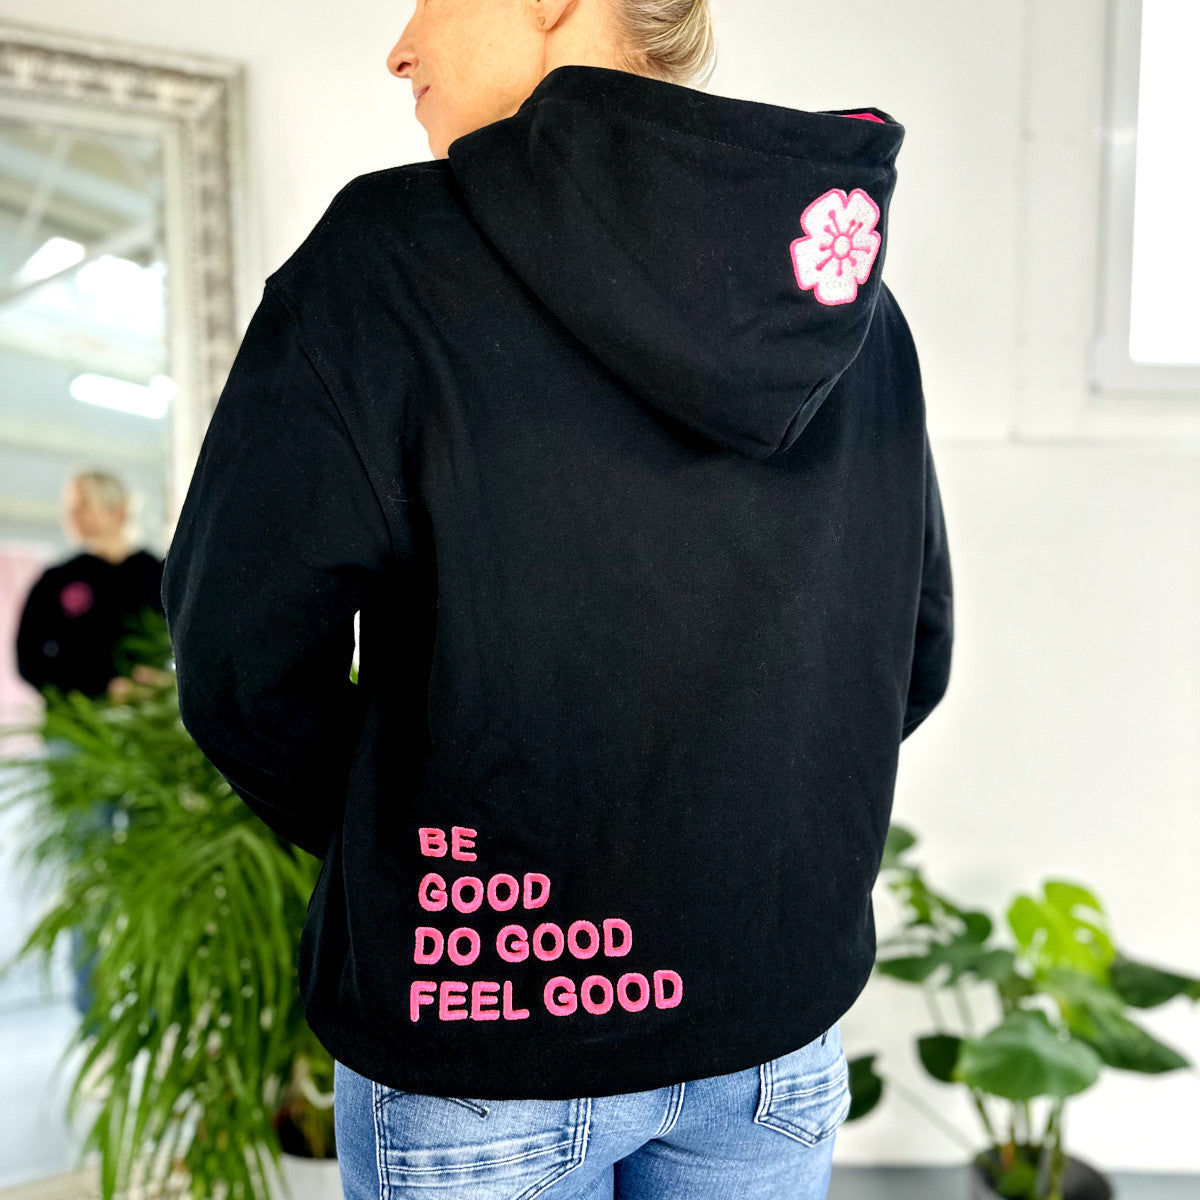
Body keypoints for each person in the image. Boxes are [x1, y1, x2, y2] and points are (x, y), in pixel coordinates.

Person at [160, 0, 954, 1195]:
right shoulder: (851, 312)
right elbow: (913, 652)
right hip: (774, 1031)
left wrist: (440, 847)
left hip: (488, 1027)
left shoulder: (386, 261)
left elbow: (237, 662)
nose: (399, 46)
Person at [15, 469, 166, 1025]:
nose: (72, 516)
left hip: (147, 743)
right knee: (87, 874)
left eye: (82, 504)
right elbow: (32, 661)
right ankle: (95, 1013)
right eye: (69, 505)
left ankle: (153, 1008)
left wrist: (159, 683)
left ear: (116, 508)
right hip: (79, 746)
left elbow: (183, 648)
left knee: (154, 870)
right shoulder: (59, 579)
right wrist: (107, 685)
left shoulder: (156, 573)